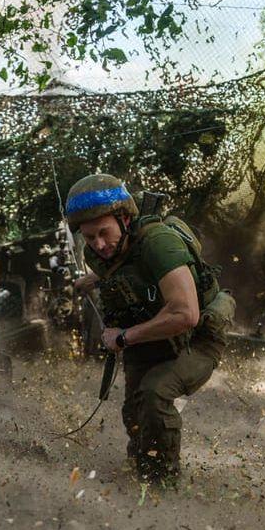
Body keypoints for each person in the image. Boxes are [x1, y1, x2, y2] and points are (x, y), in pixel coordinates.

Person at [67, 174, 234, 487]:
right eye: (90, 238)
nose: (99, 244)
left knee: (155, 395)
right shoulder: (107, 251)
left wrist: (122, 337)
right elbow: (123, 268)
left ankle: (162, 486)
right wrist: (92, 280)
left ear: (125, 218)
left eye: (104, 232)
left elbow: (186, 315)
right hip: (153, 337)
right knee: (134, 413)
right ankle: (141, 472)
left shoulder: (159, 244)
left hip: (196, 338)